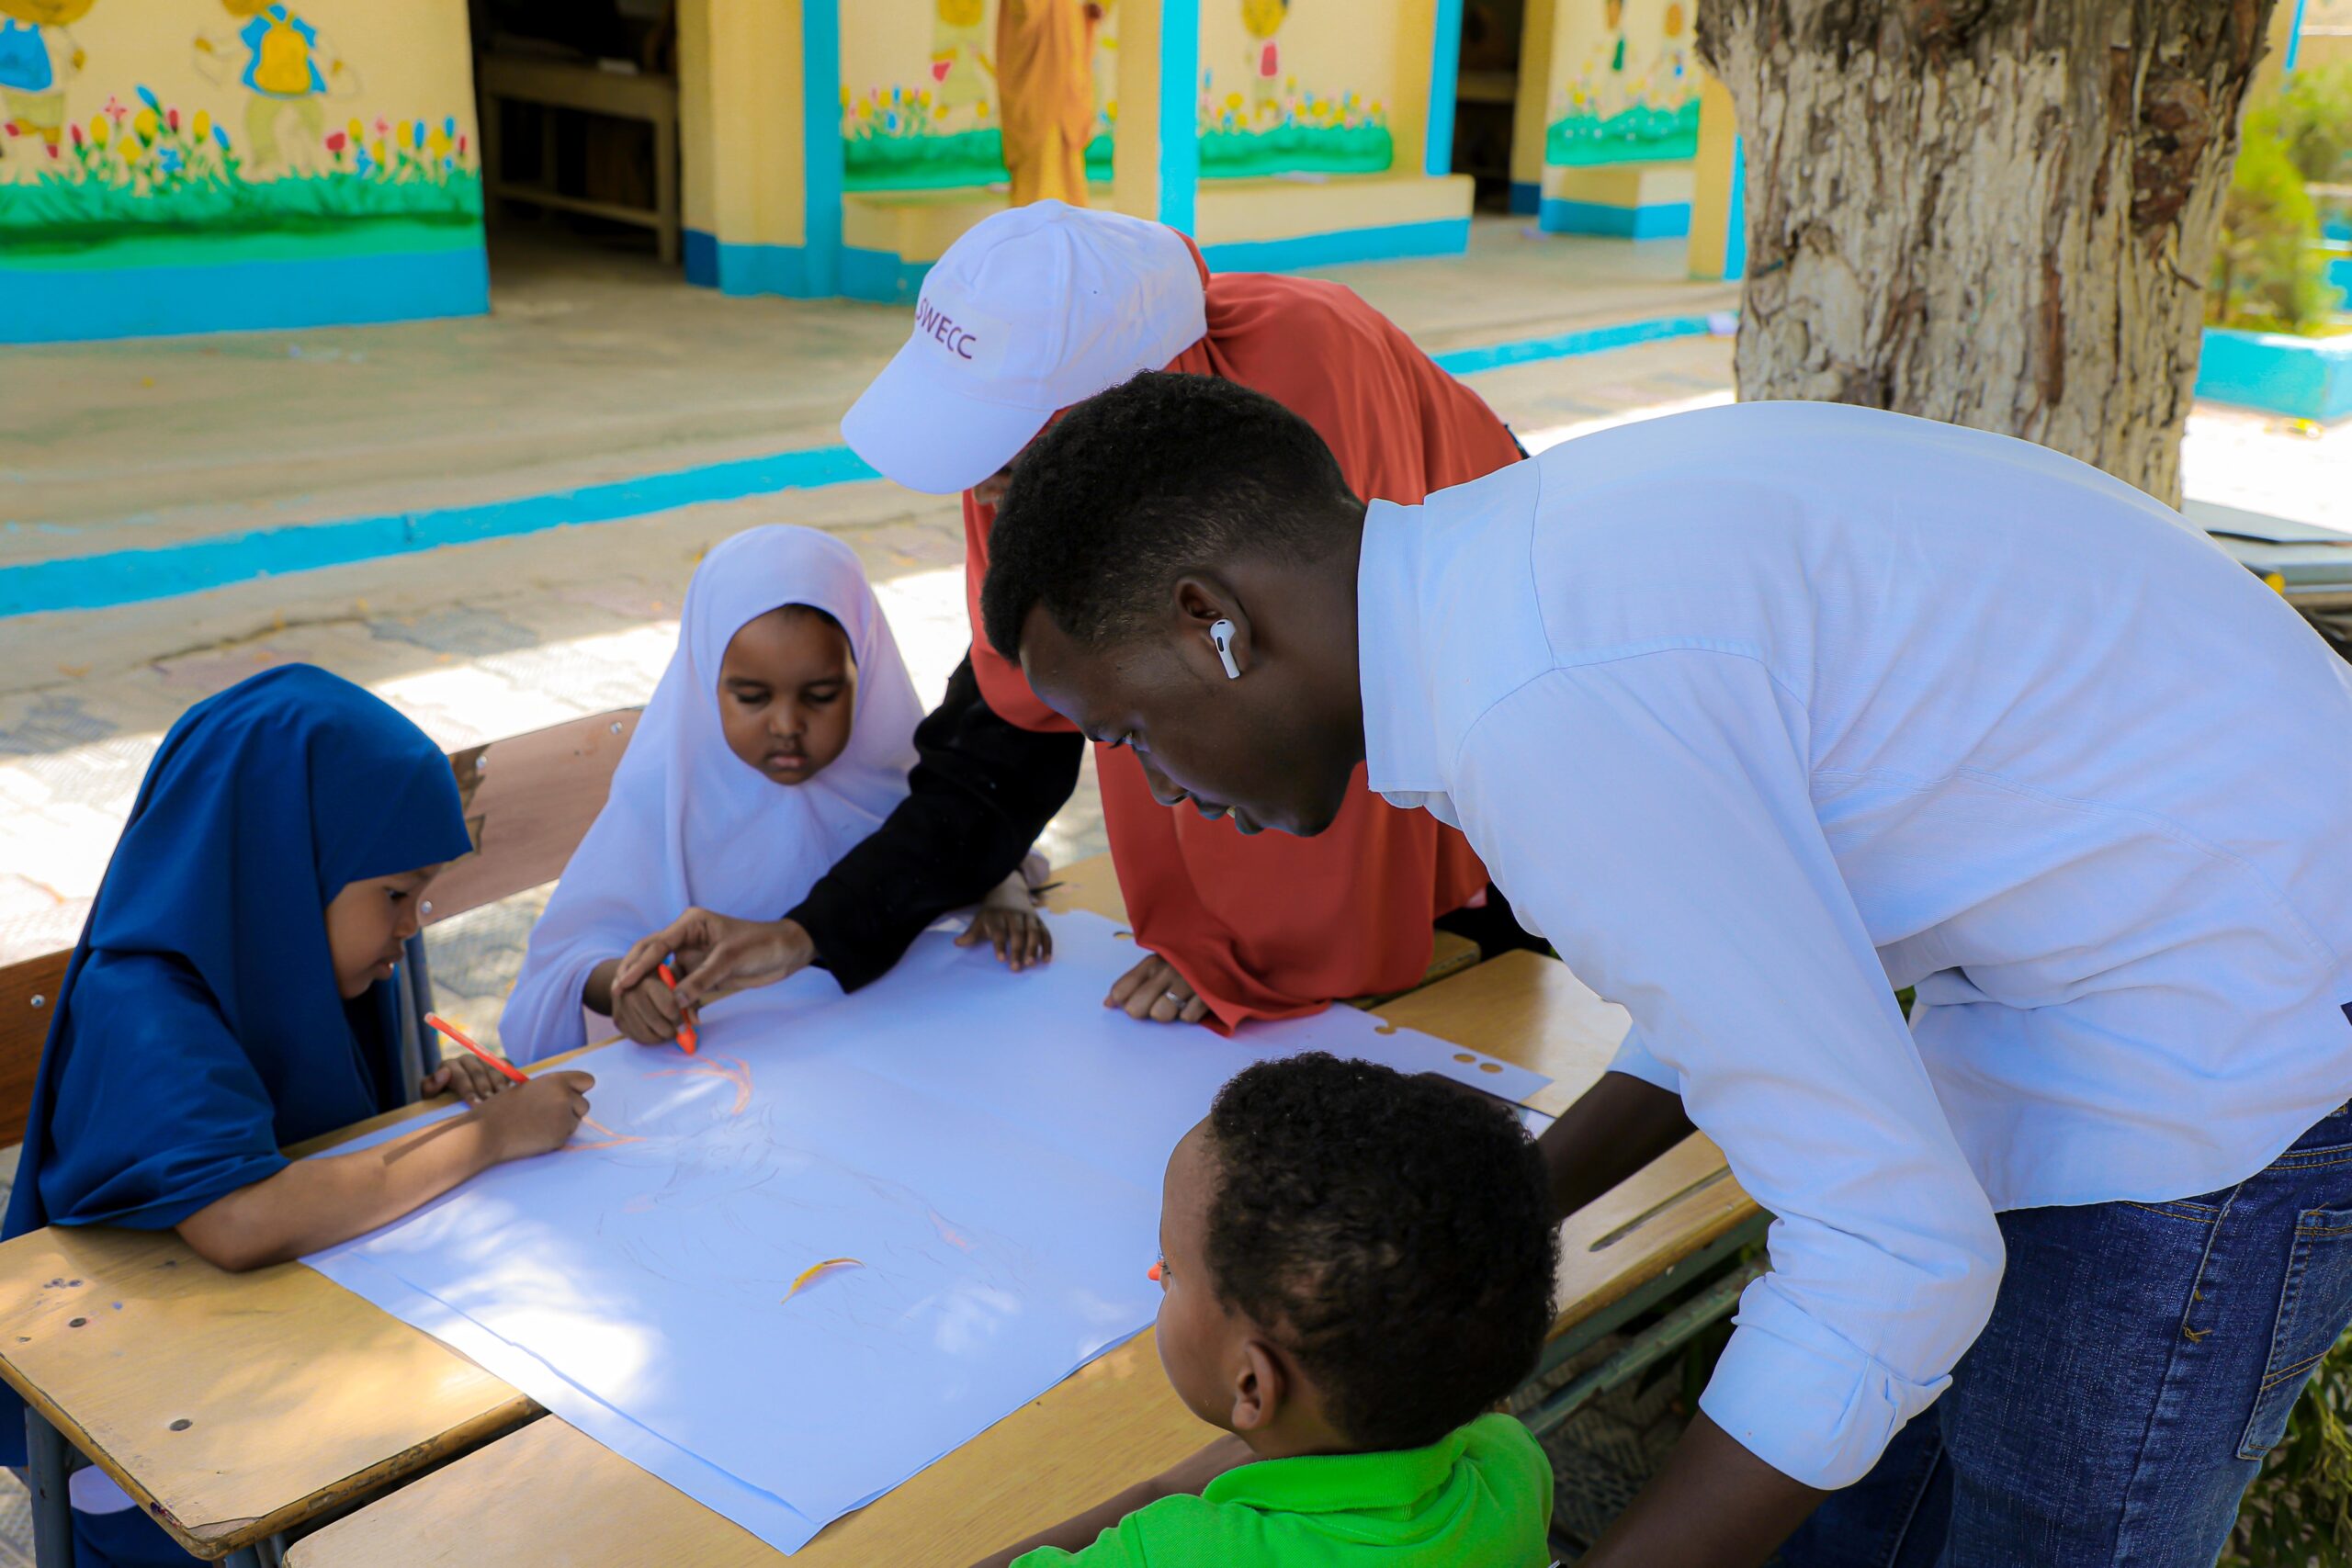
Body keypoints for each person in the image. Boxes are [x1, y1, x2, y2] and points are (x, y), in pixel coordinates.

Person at [977, 372, 2352, 1568]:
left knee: (2027, 1516)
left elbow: (1895, 1253)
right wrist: (1468, 1234)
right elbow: (1728, 972)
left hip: (2235, 1032)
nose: (1154, 785)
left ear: (1213, 622)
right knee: (1870, 1505)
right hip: (2137, 953)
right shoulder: (1506, 585)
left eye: (1130, 731)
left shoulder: (1537, 704)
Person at [637, 200, 1532, 1035]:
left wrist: (1260, 955)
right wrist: (813, 932)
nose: (980, 488)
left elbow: (1327, 703)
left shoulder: (1306, 381)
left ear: (1115, 417)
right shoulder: (1022, 480)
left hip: (1500, 759)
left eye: (1004, 453)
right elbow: (1004, 741)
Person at [0, 664, 594, 1567]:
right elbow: (243, 1219)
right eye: (395, 895)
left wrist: (424, 1112)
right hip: (157, 1454)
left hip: (291, 1361)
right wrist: (488, 1135)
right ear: (287, 857)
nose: (413, 926)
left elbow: (317, 1134)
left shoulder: (304, 959)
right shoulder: (143, 1002)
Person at [971, 1052, 1559, 1567]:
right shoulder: (1510, 1462)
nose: (1158, 1277)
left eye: (1170, 1267)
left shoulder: (1181, 1551)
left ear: (1251, 1385)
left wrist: (1163, 1488)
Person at [514, 525, 1046, 1061]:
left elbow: (957, 842)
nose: (787, 725)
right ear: (705, 681)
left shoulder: (901, 780)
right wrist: (626, 987)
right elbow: (568, 958)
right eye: (752, 697)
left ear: (865, 672)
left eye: (822, 695)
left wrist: (1002, 884)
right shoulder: (664, 803)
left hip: (893, 1054)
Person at [997, 0, 1095, 205]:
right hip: (1036, 91)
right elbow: (1025, 12)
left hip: (1066, 99)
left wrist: (1088, 14)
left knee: (1068, 176)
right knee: (1038, 175)